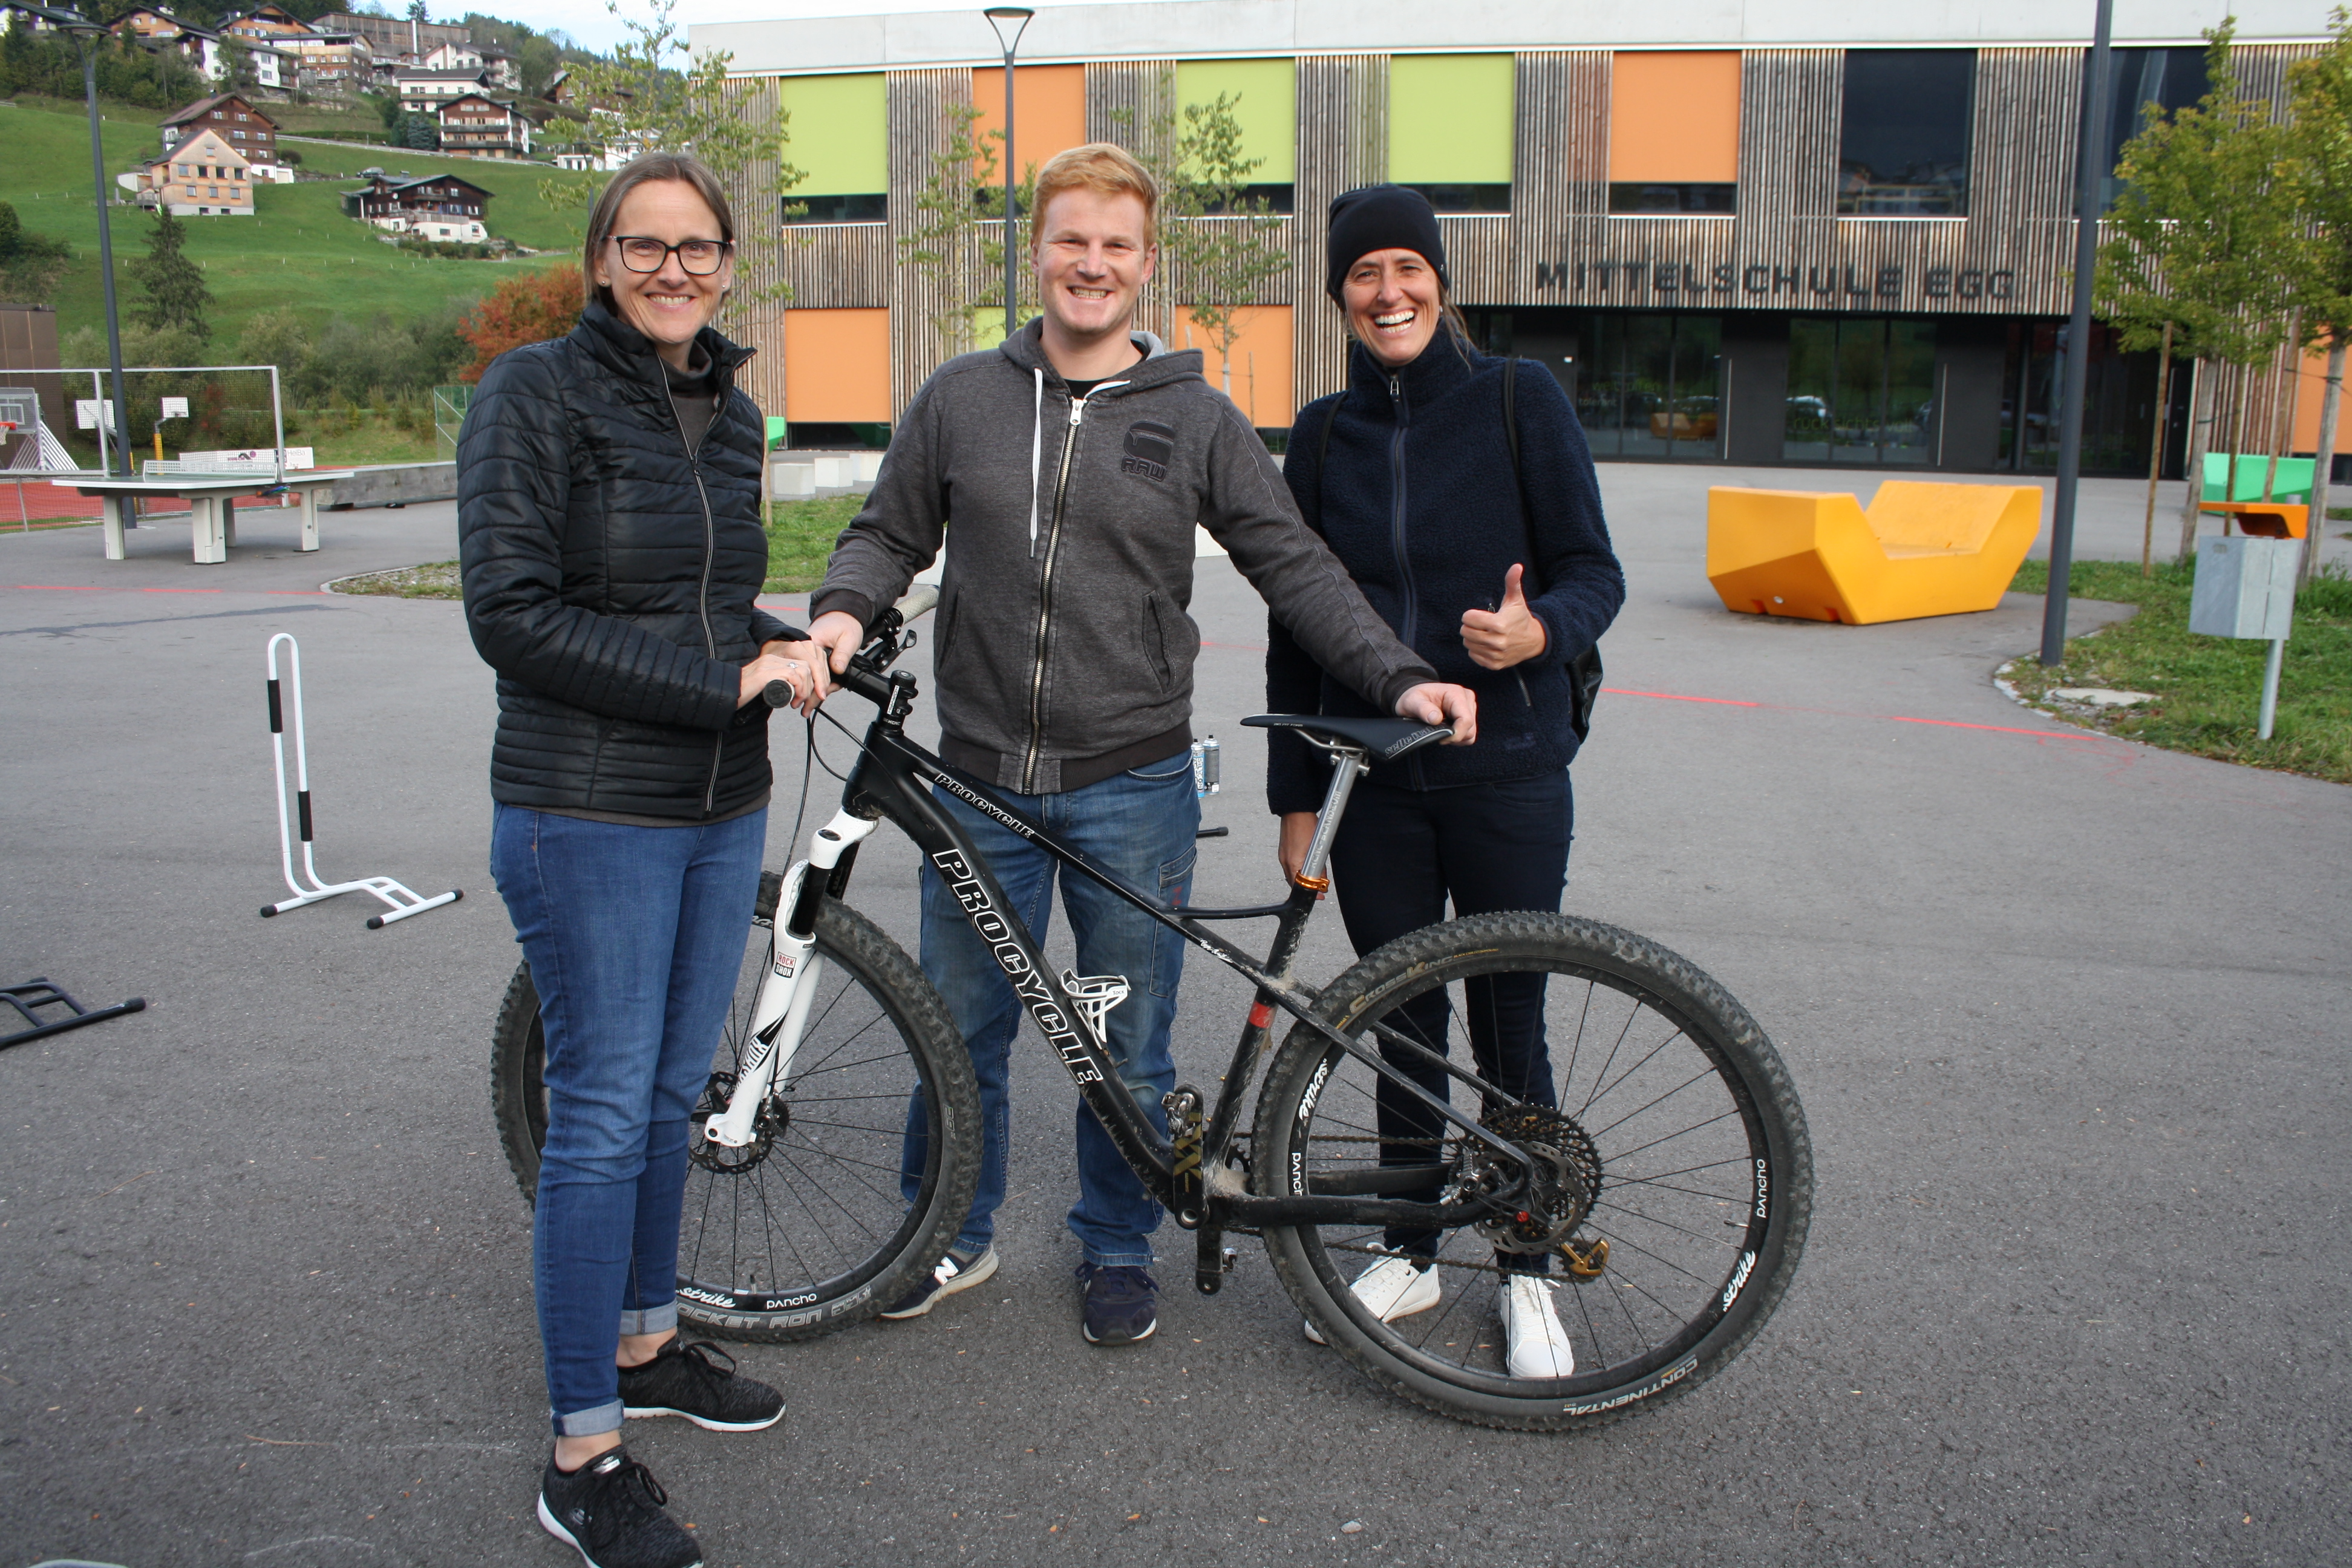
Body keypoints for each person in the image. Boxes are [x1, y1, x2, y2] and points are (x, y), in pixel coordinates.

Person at [801, 143, 1478, 1348]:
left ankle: (1117, 1245)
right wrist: (843, 612)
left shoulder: (1196, 416)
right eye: (1072, 239)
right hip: (978, 779)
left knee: (1129, 1044)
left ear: (1146, 263)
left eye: (1117, 244)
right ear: (1037, 250)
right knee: (958, 1029)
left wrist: (1396, 673)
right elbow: (886, 533)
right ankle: (946, 1234)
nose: (1093, 263)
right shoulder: (961, 398)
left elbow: (1293, 564)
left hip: (1134, 782)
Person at [459, 152, 818, 1568]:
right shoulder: (534, 393)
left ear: (728, 262)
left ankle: (649, 1345)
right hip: (589, 808)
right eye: (646, 245)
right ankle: (581, 1454)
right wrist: (728, 682)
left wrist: (788, 640)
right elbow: (514, 614)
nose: (675, 269)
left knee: (671, 1092)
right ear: (603, 258)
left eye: (699, 246)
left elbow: (700, 601)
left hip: (718, 802)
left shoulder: (729, 412)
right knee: (605, 1113)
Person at [1266, 184, 1625, 1379]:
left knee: (1511, 1022)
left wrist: (1541, 634)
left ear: (1438, 279)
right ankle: (1411, 1247)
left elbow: (1594, 572)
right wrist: (1294, 796)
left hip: (1509, 770)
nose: (1388, 293)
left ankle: (1526, 1262)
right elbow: (1295, 629)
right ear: (1340, 296)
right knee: (1400, 1022)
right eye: (1363, 274)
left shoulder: (1520, 399)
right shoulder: (1323, 435)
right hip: (1375, 781)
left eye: (1406, 269)